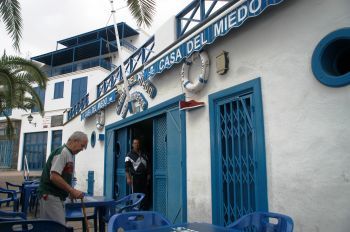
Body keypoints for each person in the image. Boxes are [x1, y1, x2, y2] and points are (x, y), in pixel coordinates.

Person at [38, 131, 88, 224]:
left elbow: (62, 177)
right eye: (82, 146)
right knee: (59, 227)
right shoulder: (63, 152)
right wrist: (72, 190)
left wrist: (69, 192)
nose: (82, 149)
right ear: (74, 141)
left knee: (52, 227)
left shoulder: (69, 154)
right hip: (50, 195)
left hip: (56, 196)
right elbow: (54, 176)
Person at [125, 138, 151, 209]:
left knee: (145, 192)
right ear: (132, 144)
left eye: (138, 143)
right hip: (135, 177)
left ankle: (144, 208)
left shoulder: (144, 154)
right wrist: (128, 178)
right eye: (135, 143)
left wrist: (148, 174)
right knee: (136, 193)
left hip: (144, 177)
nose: (137, 144)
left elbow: (148, 164)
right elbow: (127, 168)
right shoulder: (129, 155)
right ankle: (136, 208)